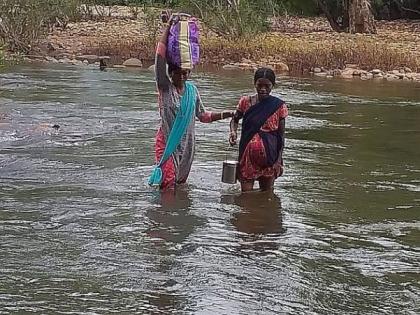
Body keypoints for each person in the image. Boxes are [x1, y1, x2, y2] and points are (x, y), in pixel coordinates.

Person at [150, 14, 234, 190]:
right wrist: (168, 27)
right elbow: (159, 60)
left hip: (187, 147)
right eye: (179, 72)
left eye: (186, 72)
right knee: (167, 187)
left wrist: (227, 113)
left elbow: (203, 116)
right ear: (170, 73)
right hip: (168, 145)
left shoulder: (192, 91)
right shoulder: (165, 89)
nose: (183, 76)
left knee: (179, 187)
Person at [229, 67, 288, 192]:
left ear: (273, 85)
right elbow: (235, 119)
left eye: (267, 86)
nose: (263, 89)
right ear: (254, 84)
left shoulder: (279, 106)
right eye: (259, 85)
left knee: (267, 195)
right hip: (247, 157)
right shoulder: (245, 102)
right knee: (246, 196)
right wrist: (233, 132)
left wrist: (278, 161)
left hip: (270, 158)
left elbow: (281, 136)